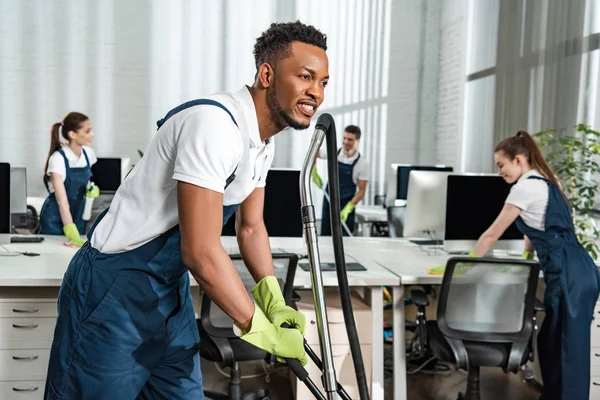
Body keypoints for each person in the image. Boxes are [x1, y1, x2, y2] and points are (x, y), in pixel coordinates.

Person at [43, 21, 329, 399]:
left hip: (167, 293)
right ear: (267, 74)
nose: (316, 93)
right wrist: (258, 326)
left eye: (323, 82)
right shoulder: (215, 126)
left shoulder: (261, 142)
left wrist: (271, 297)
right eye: (306, 77)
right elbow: (200, 251)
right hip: (114, 292)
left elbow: (251, 228)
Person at [447, 130, 600, 399]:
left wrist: (465, 266)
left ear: (518, 160)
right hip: (581, 269)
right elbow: (537, 230)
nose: (499, 172)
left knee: (565, 354)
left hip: (568, 275)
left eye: (501, 165)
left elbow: (491, 234)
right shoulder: (549, 181)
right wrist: (527, 258)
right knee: (554, 345)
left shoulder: (524, 187)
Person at [39, 112, 100, 246]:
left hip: (78, 213)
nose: (93, 134)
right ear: (73, 134)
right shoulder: (58, 159)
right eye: (88, 131)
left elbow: (87, 178)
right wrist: (71, 231)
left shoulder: (88, 154)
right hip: (55, 217)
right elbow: (62, 202)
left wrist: (90, 190)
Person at [311, 125, 369, 236]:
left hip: (346, 204)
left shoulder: (362, 163)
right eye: (344, 138)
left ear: (358, 140)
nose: (346, 142)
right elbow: (314, 152)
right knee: (326, 236)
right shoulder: (334, 152)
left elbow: (361, 191)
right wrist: (313, 171)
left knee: (345, 239)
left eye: (350, 139)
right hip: (329, 201)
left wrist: (348, 208)